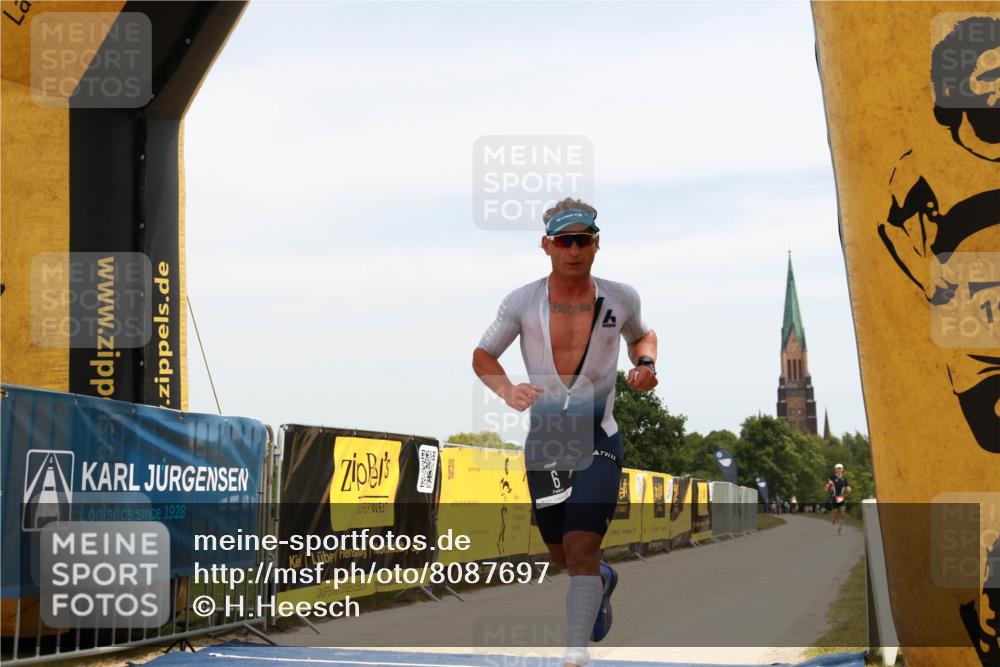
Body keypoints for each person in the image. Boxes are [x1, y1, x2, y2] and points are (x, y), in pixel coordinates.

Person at [472, 198, 658, 667]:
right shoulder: (521, 301)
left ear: (597, 244)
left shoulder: (621, 297)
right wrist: (507, 389)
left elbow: (643, 336)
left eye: (582, 240)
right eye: (564, 241)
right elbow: (482, 355)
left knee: (580, 546)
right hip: (548, 442)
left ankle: (574, 655)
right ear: (547, 245)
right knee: (562, 555)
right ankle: (601, 578)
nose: (573, 250)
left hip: (600, 435)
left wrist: (646, 364)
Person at [823, 463, 851, 534]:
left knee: (842, 512)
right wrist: (828, 485)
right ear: (835, 470)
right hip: (834, 497)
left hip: (841, 497)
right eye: (837, 468)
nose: (839, 470)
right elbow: (826, 488)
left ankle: (840, 528)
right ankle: (835, 519)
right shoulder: (832, 477)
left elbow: (847, 487)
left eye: (840, 468)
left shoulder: (844, 479)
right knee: (837, 512)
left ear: (842, 470)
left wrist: (849, 489)